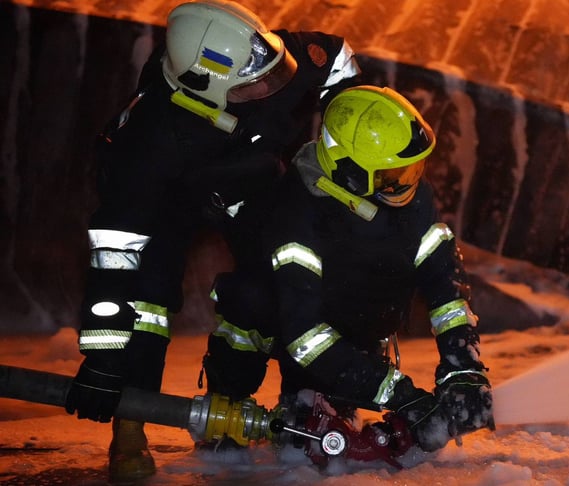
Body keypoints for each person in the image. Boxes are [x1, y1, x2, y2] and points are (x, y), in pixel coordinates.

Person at [63, 0, 361, 480]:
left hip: (246, 177)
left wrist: (351, 131)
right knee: (147, 302)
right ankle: (132, 425)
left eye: (273, 71)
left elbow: (337, 57)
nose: (271, 88)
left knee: (293, 271)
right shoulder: (146, 147)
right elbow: (114, 261)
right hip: (165, 199)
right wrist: (103, 363)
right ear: (205, 90)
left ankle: (308, 402)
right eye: (253, 86)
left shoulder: (267, 60)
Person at [202, 85, 494, 456]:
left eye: (414, 167)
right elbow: (305, 336)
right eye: (397, 172)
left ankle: (314, 398)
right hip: (293, 324)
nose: (411, 180)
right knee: (250, 300)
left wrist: (462, 369)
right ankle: (227, 397)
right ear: (353, 175)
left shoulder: (411, 197)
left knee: (310, 444)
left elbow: (444, 283)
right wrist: (399, 394)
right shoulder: (296, 214)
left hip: (354, 331)